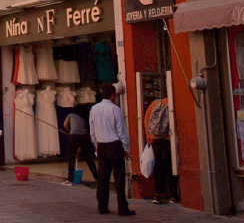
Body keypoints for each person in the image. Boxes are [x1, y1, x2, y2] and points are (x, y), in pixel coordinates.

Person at [90, 84, 134, 216]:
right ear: (113, 95)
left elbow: (92, 131)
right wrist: (126, 148)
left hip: (102, 146)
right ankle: (122, 207)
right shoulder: (115, 109)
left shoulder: (94, 109)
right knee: (119, 178)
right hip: (114, 145)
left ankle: (102, 206)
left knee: (103, 178)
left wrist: (96, 147)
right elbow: (122, 131)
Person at [144, 97, 178, 204]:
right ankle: (173, 195)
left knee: (158, 166)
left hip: (156, 139)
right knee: (171, 167)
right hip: (169, 139)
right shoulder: (173, 102)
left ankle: (157, 194)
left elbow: (147, 119)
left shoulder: (155, 103)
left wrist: (148, 135)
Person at [62, 107, 98, 186]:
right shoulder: (83, 120)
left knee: (71, 158)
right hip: (84, 137)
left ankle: (70, 180)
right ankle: (98, 178)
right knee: (89, 158)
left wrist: (70, 132)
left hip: (73, 136)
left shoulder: (70, 115)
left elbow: (65, 124)